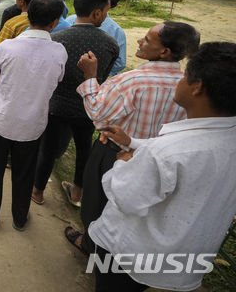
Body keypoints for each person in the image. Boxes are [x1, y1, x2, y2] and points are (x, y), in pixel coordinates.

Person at [87, 42, 236, 292]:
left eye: (185, 76)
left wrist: (122, 164)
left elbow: (126, 197)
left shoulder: (167, 152)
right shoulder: (219, 139)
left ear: (197, 87)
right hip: (185, 256)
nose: (179, 80)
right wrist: (132, 141)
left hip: (132, 254)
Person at [63, 22, 201, 256]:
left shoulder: (133, 81)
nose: (139, 41)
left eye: (147, 40)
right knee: (135, 210)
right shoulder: (187, 86)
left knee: (98, 202)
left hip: (115, 152)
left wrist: (90, 76)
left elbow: (98, 114)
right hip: (159, 158)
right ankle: (111, 249)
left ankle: (93, 245)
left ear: (164, 51)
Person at [0, 0, 68, 232]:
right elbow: (58, 79)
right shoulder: (59, 52)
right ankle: (20, 217)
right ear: (55, 22)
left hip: (1, 119)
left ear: (27, 13)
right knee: (24, 174)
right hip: (32, 125)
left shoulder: (9, 47)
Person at [31, 0, 119, 207]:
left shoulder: (56, 38)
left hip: (56, 105)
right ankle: (77, 192)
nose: (106, 15)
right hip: (87, 108)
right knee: (83, 149)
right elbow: (103, 76)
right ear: (97, 13)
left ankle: (38, 191)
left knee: (48, 150)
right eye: (106, 11)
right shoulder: (110, 43)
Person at [67, 0, 127, 76]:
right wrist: (99, 75)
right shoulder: (116, 31)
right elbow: (120, 63)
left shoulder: (69, 21)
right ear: (114, 6)